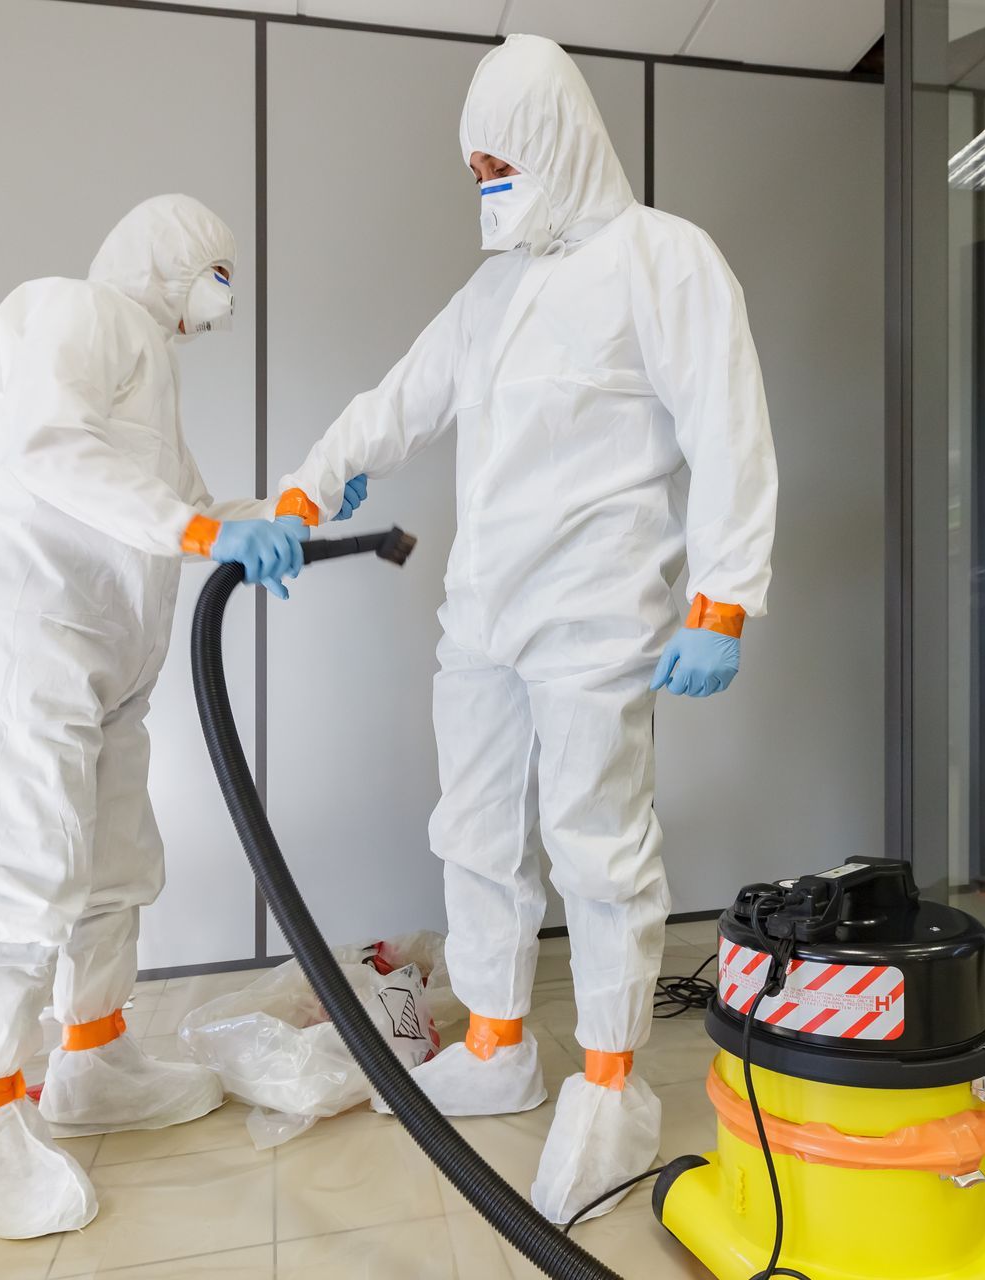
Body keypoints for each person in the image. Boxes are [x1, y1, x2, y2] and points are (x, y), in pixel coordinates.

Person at [276, 35, 778, 1223]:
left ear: (555, 140)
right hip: (484, 616)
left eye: (503, 157)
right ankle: (498, 1040)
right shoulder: (492, 291)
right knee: (475, 834)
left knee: (598, 846)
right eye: (477, 165)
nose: (489, 181)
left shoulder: (664, 259)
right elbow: (397, 397)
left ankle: (607, 1085)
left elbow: (730, 424)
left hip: (600, 615)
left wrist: (725, 597)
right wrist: (311, 482)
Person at [0, 194, 319, 1239]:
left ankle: (93, 1057)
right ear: (175, 257)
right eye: (219, 272)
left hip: (109, 662)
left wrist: (283, 511)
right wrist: (196, 523)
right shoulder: (78, 310)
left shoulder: (150, 361)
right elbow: (48, 449)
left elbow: (182, 506)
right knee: (23, 878)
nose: (222, 296)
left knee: (111, 864)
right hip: (35, 637)